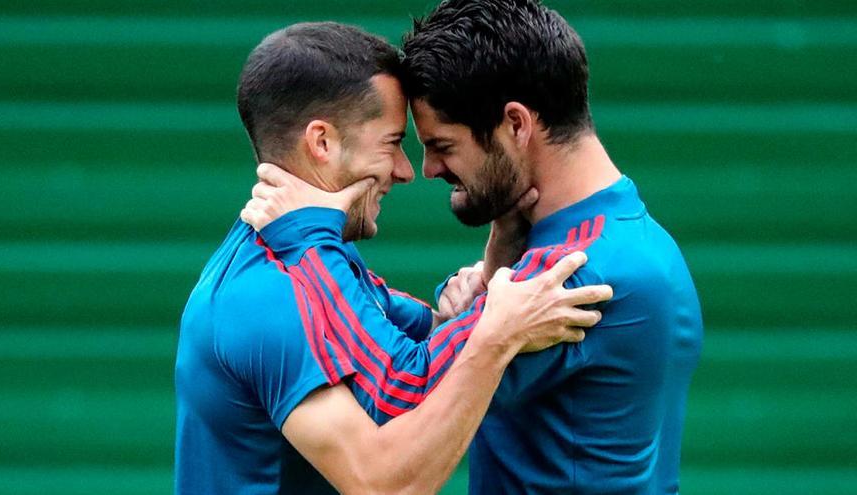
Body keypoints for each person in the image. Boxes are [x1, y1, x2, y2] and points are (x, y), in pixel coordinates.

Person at [243, 0, 704, 493]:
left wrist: (305, 240)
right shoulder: (636, 236)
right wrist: (485, 296)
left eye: (442, 146)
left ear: (516, 125)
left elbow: (395, 395)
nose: (428, 170)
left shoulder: (570, 274)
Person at [175, 21, 613, 495]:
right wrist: (496, 333)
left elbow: (424, 343)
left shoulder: (315, 262)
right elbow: (383, 484)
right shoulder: (267, 297)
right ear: (322, 143)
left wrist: (492, 277)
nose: (406, 171)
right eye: (391, 143)